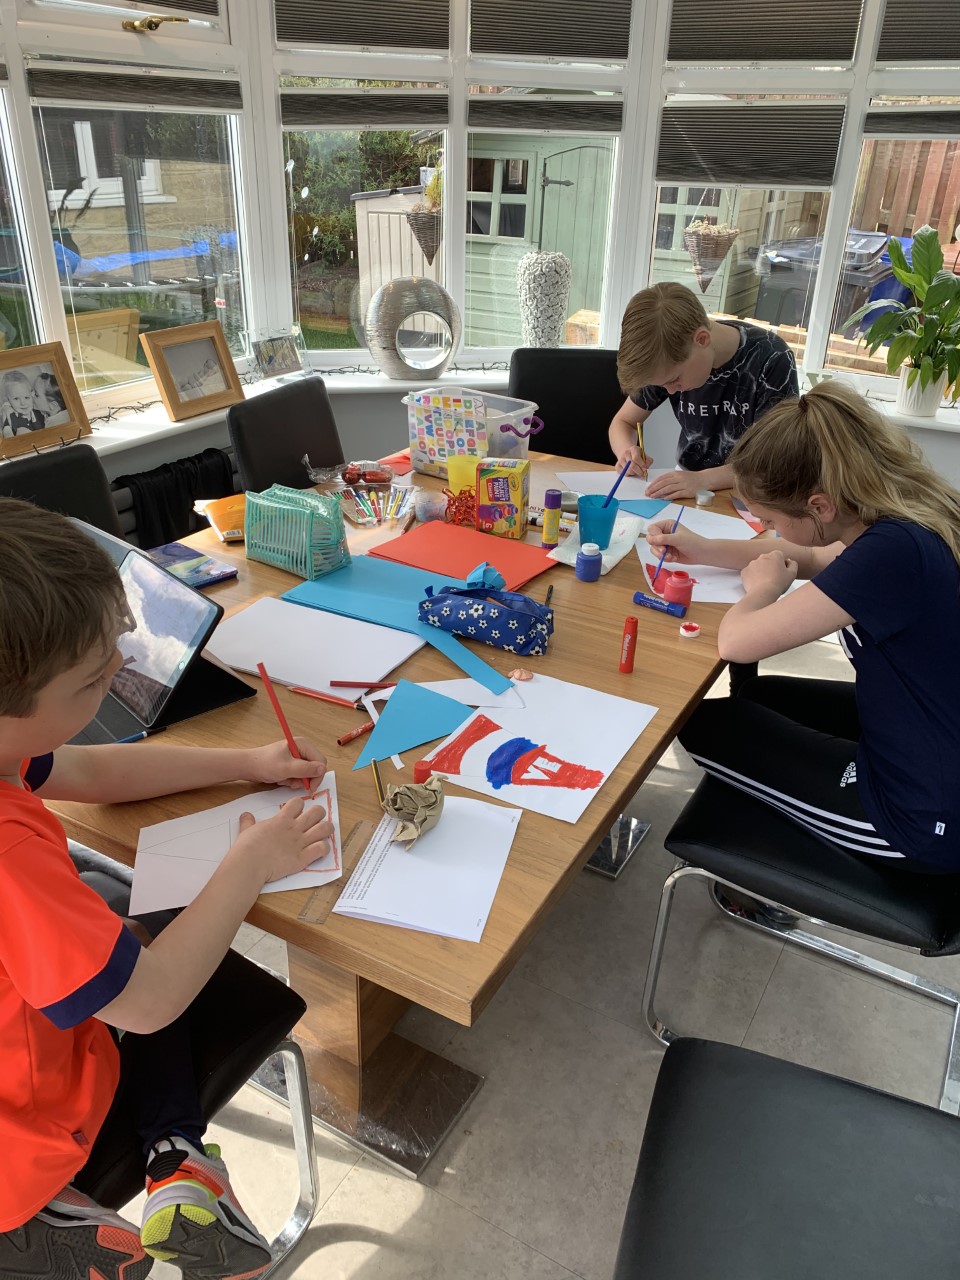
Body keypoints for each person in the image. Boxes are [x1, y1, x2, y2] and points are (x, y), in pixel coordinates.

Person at [0, 499, 334, 1279]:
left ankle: (176, 1168)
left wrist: (245, 764)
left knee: (115, 908)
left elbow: (91, 770)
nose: (116, 678)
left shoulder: (7, 746)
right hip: (25, 1122)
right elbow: (148, 1002)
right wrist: (251, 861)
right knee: (149, 947)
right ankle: (40, 1218)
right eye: (95, 679)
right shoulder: (9, 856)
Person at [646, 380, 960, 874]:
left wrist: (763, 590)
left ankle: (770, 860)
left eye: (770, 520)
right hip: (926, 729)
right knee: (760, 697)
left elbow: (736, 641)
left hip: (920, 818)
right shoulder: (899, 514)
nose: (770, 530)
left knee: (701, 723)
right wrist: (704, 549)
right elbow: (813, 555)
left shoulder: (890, 555)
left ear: (819, 506)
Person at [609, 281, 798, 502]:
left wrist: (703, 480)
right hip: (690, 485)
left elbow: (770, 461)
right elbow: (623, 422)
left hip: (751, 495)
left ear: (702, 340)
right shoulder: (664, 356)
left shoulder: (772, 360)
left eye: (674, 380)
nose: (670, 390)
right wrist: (626, 452)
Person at [2, 369, 47, 435]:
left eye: (26, 397)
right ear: (8, 400)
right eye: (16, 399)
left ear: (32, 394)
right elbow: (7, 434)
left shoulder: (40, 413)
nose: (23, 403)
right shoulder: (10, 418)